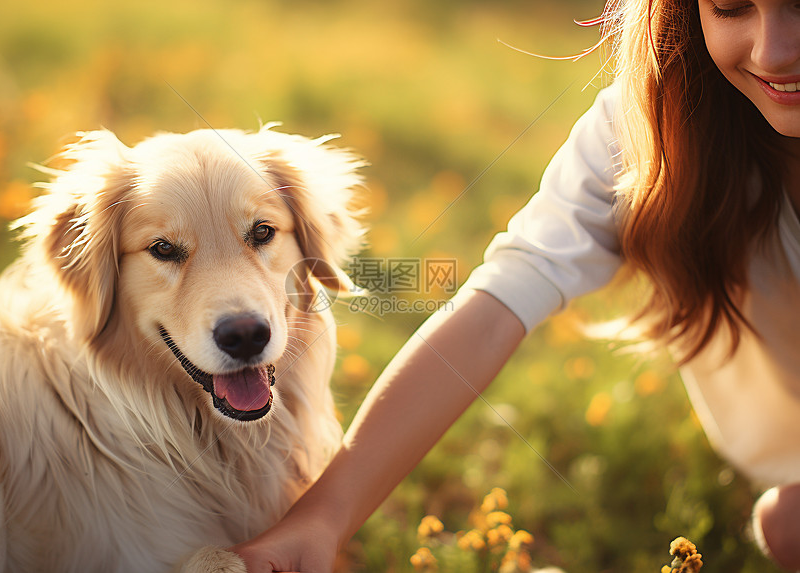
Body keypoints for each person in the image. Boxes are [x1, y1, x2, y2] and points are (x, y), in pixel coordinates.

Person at [231, 0, 800, 570]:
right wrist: (321, 519)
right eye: (729, 7)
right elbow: (498, 303)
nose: (773, 51)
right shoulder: (652, 126)